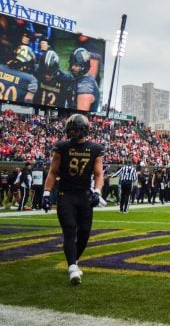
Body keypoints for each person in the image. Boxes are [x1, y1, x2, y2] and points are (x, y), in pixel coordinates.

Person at [41, 114, 105, 285]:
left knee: (84, 233)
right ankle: (72, 267)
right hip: (66, 195)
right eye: (71, 130)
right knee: (69, 230)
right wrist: (46, 194)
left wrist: (97, 191)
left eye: (76, 129)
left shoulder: (95, 148)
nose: (73, 132)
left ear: (84, 130)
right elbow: (53, 172)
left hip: (84, 195)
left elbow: (99, 173)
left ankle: (73, 260)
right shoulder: (61, 147)